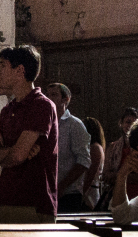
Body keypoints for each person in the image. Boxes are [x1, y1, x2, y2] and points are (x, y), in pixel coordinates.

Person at [0, 43, 59, 223]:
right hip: (5, 200)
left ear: (19, 70)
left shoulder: (42, 105)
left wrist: (11, 154)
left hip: (33, 204)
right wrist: (16, 151)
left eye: (3, 65)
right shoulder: (7, 110)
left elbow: (17, 156)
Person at [44, 82, 96, 214]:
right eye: (47, 95)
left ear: (65, 99)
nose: (49, 98)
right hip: (46, 191)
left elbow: (84, 161)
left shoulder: (74, 125)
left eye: (54, 95)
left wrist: (61, 187)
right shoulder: (45, 123)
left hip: (68, 194)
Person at [100, 107, 138, 208]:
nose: (131, 125)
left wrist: (118, 176)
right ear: (121, 123)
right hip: (118, 194)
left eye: (135, 122)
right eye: (128, 122)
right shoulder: (113, 147)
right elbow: (105, 175)